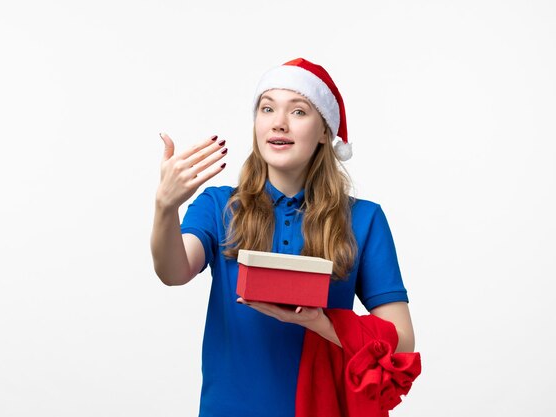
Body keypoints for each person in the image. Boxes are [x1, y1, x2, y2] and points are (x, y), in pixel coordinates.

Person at [151, 58, 416, 417]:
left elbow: (401, 341)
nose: (279, 122)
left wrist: (317, 321)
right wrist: (165, 209)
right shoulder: (217, 205)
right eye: (267, 108)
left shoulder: (364, 219)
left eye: (299, 111)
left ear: (324, 131)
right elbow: (173, 271)